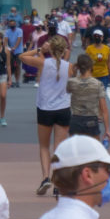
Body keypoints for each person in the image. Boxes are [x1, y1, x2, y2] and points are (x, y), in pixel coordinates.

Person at [21, 35, 72, 196]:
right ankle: (57, 181)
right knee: (59, 147)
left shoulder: (43, 63)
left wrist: (39, 50)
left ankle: (45, 177)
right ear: (64, 51)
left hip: (45, 108)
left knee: (44, 146)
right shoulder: (69, 66)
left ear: (50, 49)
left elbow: (21, 56)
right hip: (63, 108)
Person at [68, 54, 110, 143]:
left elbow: (67, 91)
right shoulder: (97, 84)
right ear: (91, 67)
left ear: (78, 67)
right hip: (91, 120)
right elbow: (104, 109)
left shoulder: (72, 82)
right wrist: (107, 130)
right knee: (94, 152)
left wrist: (74, 74)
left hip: (76, 119)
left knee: (75, 150)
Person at [6, 18, 24, 87]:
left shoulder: (19, 30)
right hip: (10, 51)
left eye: (13, 24)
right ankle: (9, 80)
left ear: (15, 24)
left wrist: (14, 47)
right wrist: (5, 47)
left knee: (18, 66)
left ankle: (17, 81)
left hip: (18, 51)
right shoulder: (7, 31)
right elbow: (5, 39)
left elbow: (19, 39)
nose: (12, 25)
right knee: (9, 66)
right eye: (11, 24)